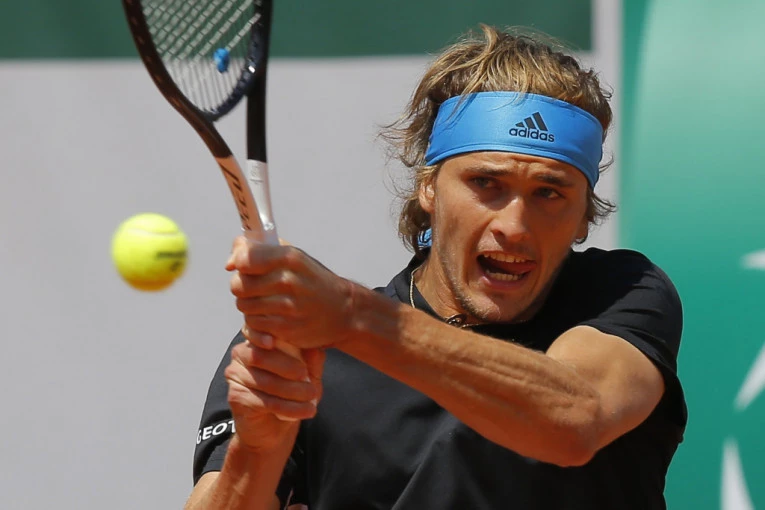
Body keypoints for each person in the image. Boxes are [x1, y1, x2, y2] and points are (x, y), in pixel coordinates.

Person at [185, 25, 687, 510]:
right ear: (428, 187)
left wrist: (352, 318)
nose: (514, 226)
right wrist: (259, 450)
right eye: (486, 183)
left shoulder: (622, 292)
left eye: (549, 193)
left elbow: (574, 420)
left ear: (583, 217)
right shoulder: (307, 350)